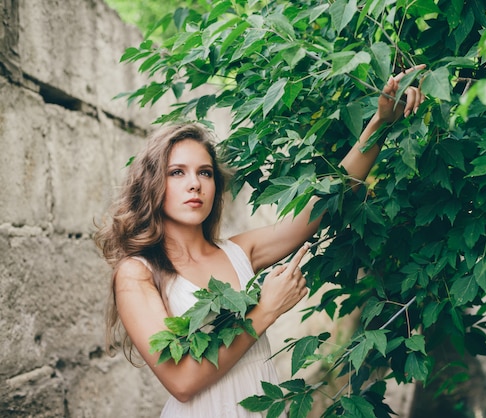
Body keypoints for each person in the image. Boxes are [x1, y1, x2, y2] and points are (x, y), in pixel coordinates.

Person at [94, 66, 425, 417]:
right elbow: (182, 381)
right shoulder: (136, 273)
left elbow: (325, 204)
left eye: (204, 173)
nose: (195, 184)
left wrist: (379, 123)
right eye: (177, 172)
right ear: (152, 185)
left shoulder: (240, 251)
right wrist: (266, 309)